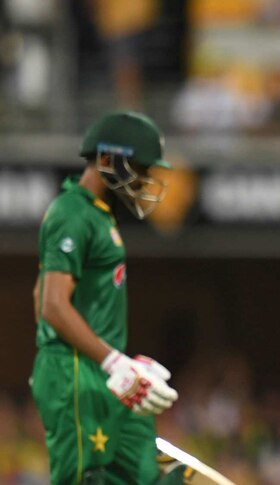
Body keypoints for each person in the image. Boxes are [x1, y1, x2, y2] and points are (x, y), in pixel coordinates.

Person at [30, 111, 182, 484]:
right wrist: (112, 360)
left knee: (144, 472)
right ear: (105, 159)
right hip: (76, 373)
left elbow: (39, 295)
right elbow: (51, 304)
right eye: (139, 167)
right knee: (87, 477)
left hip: (100, 369)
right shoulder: (71, 212)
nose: (144, 179)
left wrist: (121, 361)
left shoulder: (99, 215)